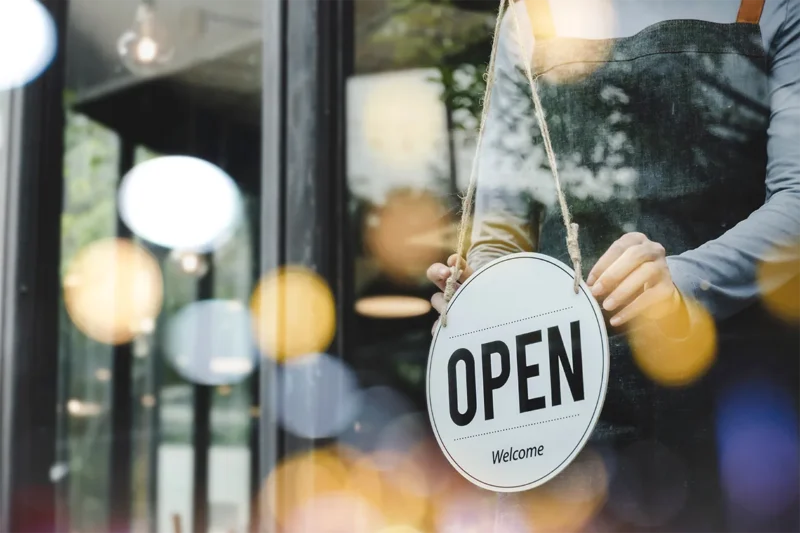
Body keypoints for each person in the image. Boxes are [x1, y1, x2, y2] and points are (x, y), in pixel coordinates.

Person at [426, 0, 800, 528]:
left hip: (737, 401)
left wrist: (685, 279)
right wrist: (481, 291)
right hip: (563, 404)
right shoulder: (530, 17)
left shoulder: (772, 6)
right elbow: (501, 231)